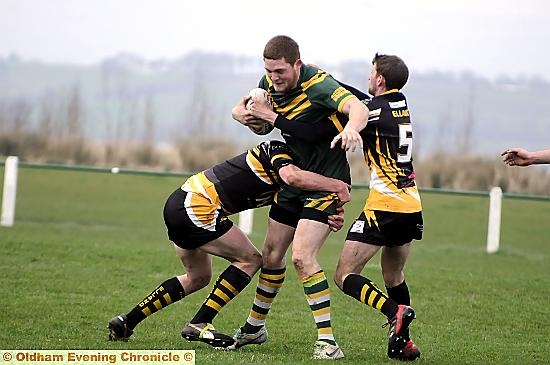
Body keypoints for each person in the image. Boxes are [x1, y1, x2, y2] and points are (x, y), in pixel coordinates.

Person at [107, 140, 350, 348]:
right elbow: (292, 176)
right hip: (196, 207)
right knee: (251, 259)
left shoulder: (294, 180)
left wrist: (327, 214)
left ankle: (127, 321)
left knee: (198, 277)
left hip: (181, 203)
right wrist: (338, 185)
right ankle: (199, 323)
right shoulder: (278, 151)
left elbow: (296, 208)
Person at [230, 35, 369, 359]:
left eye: (280, 71)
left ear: (297, 64)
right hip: (294, 181)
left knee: (302, 258)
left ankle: (328, 343)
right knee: (271, 255)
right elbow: (249, 110)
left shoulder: (318, 84)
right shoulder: (268, 82)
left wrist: (352, 129)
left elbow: (358, 108)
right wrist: (240, 113)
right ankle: (254, 328)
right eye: (269, 71)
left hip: (326, 183)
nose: (274, 78)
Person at [330, 53, 423, 361]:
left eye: (371, 74)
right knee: (393, 275)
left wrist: (323, 88)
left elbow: (352, 109)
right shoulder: (401, 104)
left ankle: (393, 310)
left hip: (384, 206)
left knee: (344, 275)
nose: (368, 79)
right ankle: (402, 344)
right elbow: (360, 100)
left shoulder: (370, 112)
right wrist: (332, 81)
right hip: (411, 206)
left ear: (380, 79)